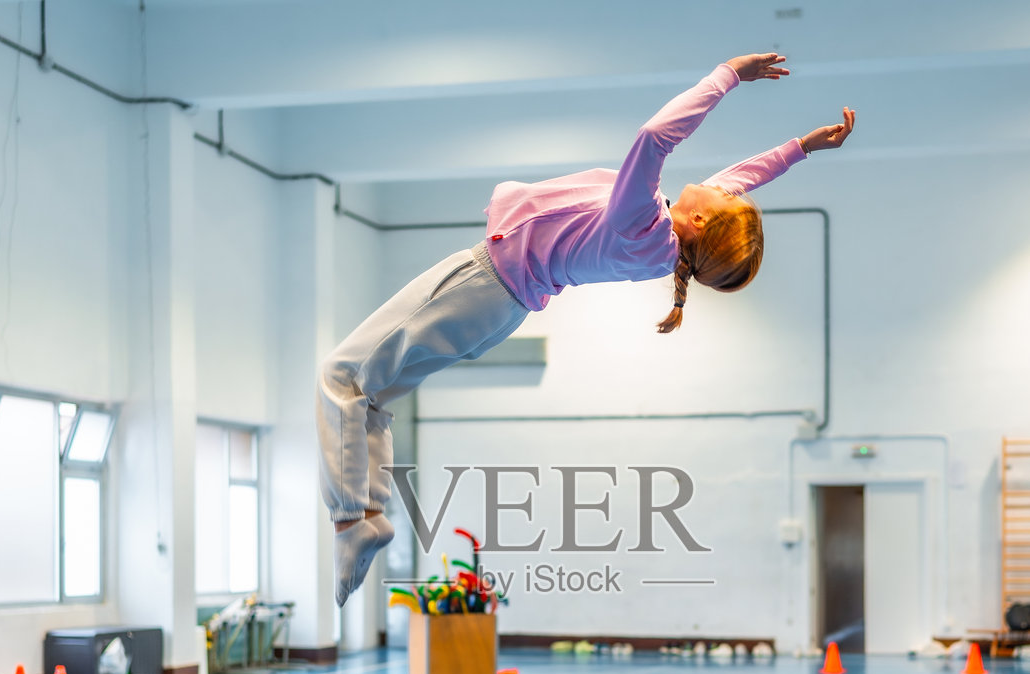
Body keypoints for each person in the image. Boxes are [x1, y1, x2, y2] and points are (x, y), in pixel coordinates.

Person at [318, 52, 856, 604]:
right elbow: (735, 183)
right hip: (501, 304)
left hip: (482, 283)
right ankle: (369, 513)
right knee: (373, 396)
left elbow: (654, 137)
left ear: (699, 222)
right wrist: (801, 149)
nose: (726, 186)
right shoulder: (662, 239)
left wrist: (727, 76)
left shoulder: (639, 224)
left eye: (723, 198)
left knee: (340, 375)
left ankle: (346, 519)